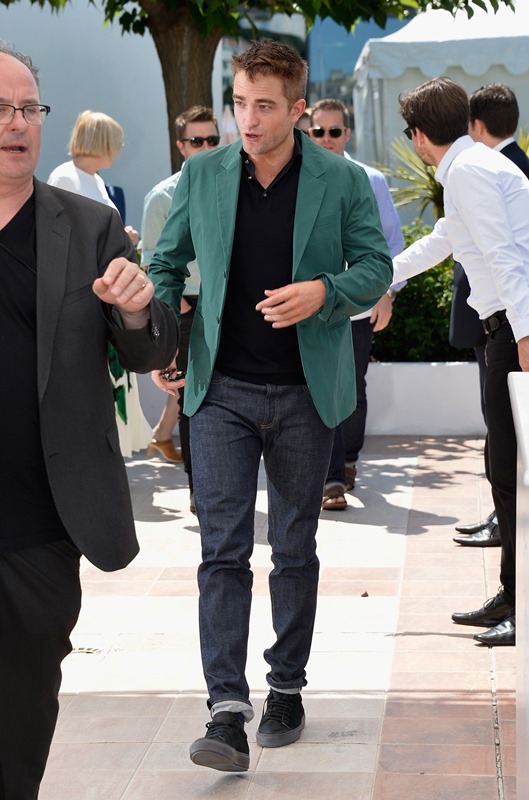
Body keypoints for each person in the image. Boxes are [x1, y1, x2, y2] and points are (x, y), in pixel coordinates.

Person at [149, 38, 393, 772]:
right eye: (238, 104)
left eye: (263, 106)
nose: (247, 120)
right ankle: (226, 709)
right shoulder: (203, 174)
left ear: (296, 108)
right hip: (219, 390)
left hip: (303, 391)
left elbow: (375, 265)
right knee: (221, 548)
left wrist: (324, 291)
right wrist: (164, 335)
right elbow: (164, 262)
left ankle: (286, 687)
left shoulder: (340, 178)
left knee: (293, 549)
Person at [0, 41, 178, 799]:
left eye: (28, 108)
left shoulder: (88, 225)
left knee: (20, 711)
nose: (17, 124)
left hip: (38, 527)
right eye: (0, 109)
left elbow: (150, 350)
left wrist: (137, 310)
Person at [392, 76, 529, 647]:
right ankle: (513, 594)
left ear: (420, 135)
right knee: (506, 471)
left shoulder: (469, 172)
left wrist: (524, 338)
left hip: (512, 335)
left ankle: (521, 607)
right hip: (507, 332)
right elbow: (444, 240)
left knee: (512, 475)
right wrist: (381, 280)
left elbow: (506, 258)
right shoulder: (474, 168)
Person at [308, 98, 404, 510]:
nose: (326, 139)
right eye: (318, 131)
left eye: (334, 131)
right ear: (308, 132)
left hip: (360, 304)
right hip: (312, 305)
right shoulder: (297, 176)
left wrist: (386, 293)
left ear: (347, 133)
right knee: (323, 384)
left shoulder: (371, 179)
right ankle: (331, 479)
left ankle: (347, 460)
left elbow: (391, 243)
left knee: (354, 386)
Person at [47, 110, 150, 457]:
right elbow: (64, 239)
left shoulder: (93, 180)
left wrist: (122, 237)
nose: (120, 149)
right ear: (102, 142)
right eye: (116, 142)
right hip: (84, 297)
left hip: (107, 297)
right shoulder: (65, 178)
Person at [453, 84, 529, 548]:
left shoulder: (486, 168)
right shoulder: (513, 165)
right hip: (506, 320)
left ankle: (507, 527)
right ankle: (502, 520)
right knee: (501, 433)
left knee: (506, 437)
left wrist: (522, 331)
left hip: (511, 322)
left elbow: (505, 258)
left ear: (476, 125)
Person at [141, 105, 219, 511]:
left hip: (229, 306)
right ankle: (197, 488)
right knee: (192, 400)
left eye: (212, 139)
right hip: (188, 309)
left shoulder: (233, 185)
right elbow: (154, 261)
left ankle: (219, 487)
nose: (205, 146)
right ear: (181, 146)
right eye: (196, 140)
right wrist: (181, 306)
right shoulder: (162, 197)